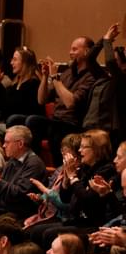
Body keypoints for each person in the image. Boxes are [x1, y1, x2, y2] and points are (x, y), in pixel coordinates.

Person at [25, 36, 97, 165]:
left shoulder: (91, 76)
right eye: (70, 49)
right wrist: (46, 76)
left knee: (51, 128)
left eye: (74, 49)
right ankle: (31, 164)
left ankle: (56, 168)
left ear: (87, 52)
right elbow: (42, 99)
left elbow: (71, 103)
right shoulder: (67, 73)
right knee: (22, 120)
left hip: (72, 124)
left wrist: (54, 77)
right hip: (56, 121)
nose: (70, 53)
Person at [5, 46, 44, 125]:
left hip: (25, 125)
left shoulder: (33, 83)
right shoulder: (14, 84)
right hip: (12, 123)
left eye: (15, 59)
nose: (11, 63)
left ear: (25, 63)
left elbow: (22, 110)